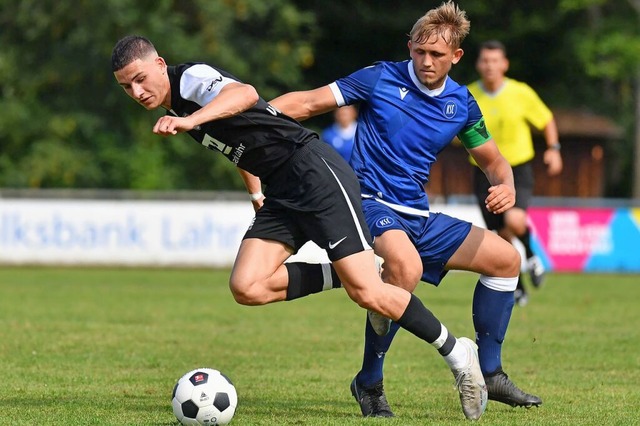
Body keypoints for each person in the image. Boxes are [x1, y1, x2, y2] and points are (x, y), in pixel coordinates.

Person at [111, 35, 488, 420]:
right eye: (127, 87)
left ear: (159, 64)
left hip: (315, 173)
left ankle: (459, 354)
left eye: (141, 78)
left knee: (370, 293)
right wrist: (256, 194)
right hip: (282, 191)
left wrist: (191, 118)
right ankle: (347, 275)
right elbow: (240, 142)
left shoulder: (190, 78)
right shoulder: (180, 105)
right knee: (248, 286)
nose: (137, 91)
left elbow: (244, 95)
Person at [270, 1, 541, 418]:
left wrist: (504, 184)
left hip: (417, 213)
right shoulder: (380, 77)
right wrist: (250, 116)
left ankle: (490, 373)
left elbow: (492, 159)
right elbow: (307, 102)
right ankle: (370, 380)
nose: (426, 61)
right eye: (419, 51)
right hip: (368, 202)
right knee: (404, 267)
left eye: (437, 54)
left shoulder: (461, 102)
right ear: (409, 45)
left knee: (506, 260)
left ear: (456, 56)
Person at [468, 40, 563, 306]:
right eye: (485, 60)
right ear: (478, 64)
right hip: (482, 172)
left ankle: (532, 257)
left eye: (495, 60)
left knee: (514, 219)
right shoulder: (468, 94)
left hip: (517, 168)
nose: (490, 66)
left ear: (504, 64)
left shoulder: (520, 93)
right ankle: (519, 287)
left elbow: (546, 120)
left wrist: (554, 148)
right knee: (501, 235)